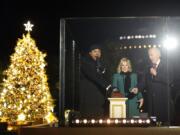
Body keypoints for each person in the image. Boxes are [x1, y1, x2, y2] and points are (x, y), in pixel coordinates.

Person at [79, 44, 118, 118]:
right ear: (90, 53)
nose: (97, 53)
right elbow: (93, 75)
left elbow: (107, 77)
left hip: (99, 94)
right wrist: (107, 85)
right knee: (88, 114)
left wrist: (111, 85)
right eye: (95, 51)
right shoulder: (85, 61)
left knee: (99, 114)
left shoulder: (102, 63)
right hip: (88, 93)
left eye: (99, 51)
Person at [145, 47, 172, 125]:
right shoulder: (148, 67)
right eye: (149, 55)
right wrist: (137, 88)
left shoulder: (167, 64)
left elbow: (170, 79)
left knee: (164, 129)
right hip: (152, 105)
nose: (150, 57)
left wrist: (157, 74)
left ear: (158, 55)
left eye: (151, 55)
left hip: (163, 103)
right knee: (152, 127)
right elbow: (143, 82)